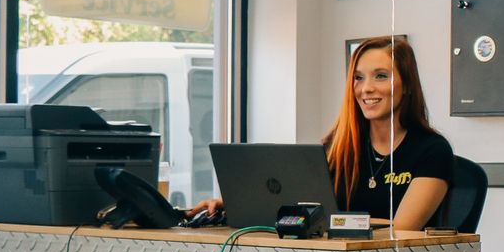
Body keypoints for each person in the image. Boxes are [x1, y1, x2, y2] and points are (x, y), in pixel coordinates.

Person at [189, 35, 454, 229]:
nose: (366, 88)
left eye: (381, 76)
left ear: (406, 85)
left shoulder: (432, 151)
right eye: (358, 78)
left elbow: (401, 229)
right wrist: (233, 203)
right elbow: (291, 196)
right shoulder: (337, 146)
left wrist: (331, 220)